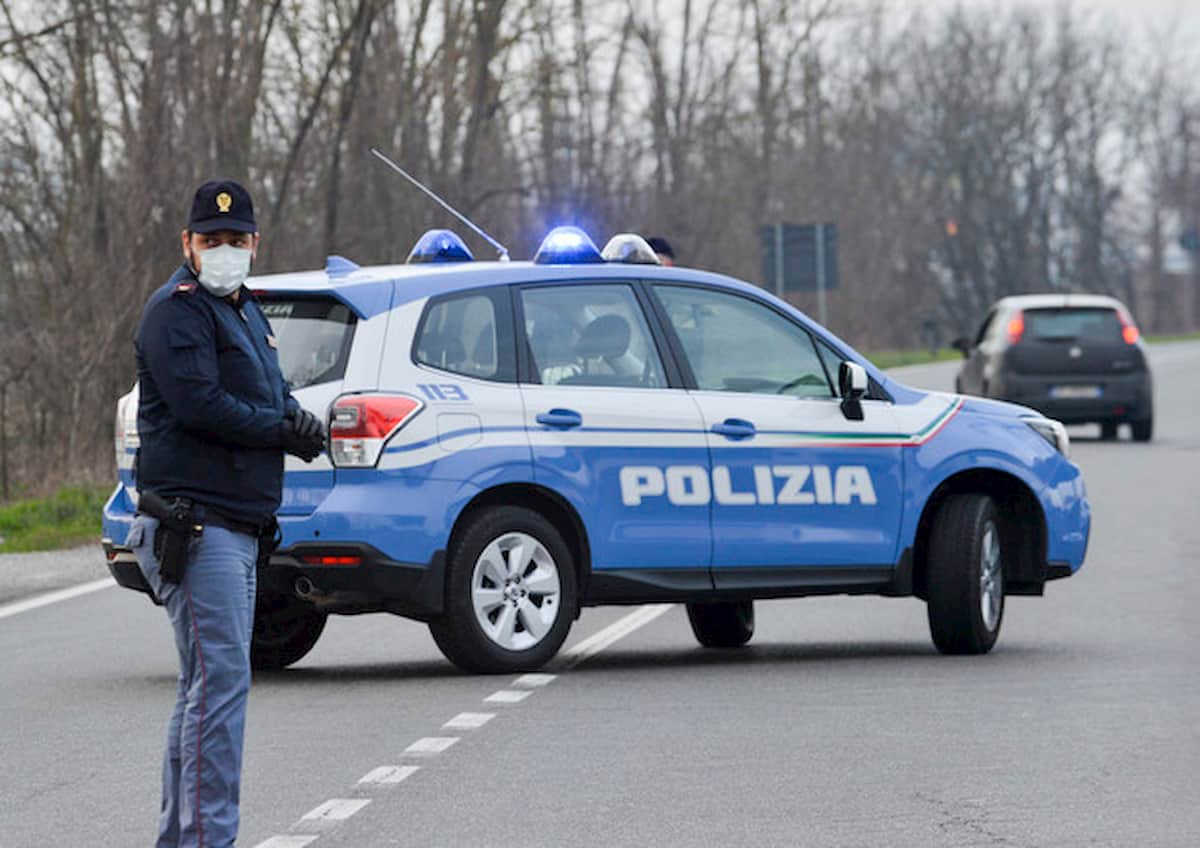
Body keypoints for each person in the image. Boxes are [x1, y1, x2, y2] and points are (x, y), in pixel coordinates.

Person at [126, 179, 324, 848]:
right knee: (219, 689)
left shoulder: (244, 311)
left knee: (203, 689)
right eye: (211, 241)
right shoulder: (175, 312)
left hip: (232, 527)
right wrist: (277, 431)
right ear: (187, 244)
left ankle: (183, 839)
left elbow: (270, 391)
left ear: (255, 245)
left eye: (236, 240)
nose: (224, 251)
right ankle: (209, 839)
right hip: (196, 525)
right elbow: (199, 404)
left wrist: (298, 419)